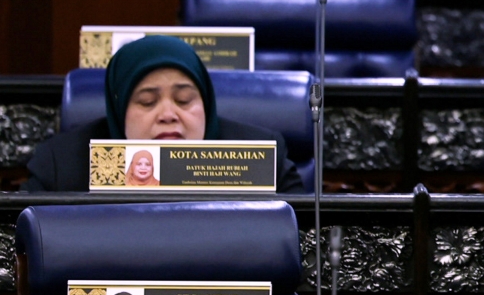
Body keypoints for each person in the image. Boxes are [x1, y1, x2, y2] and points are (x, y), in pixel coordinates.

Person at [24, 36, 305, 192]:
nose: (168, 114)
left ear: (206, 103)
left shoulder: (262, 159)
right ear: (119, 110)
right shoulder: (60, 167)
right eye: (148, 102)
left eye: (184, 100)